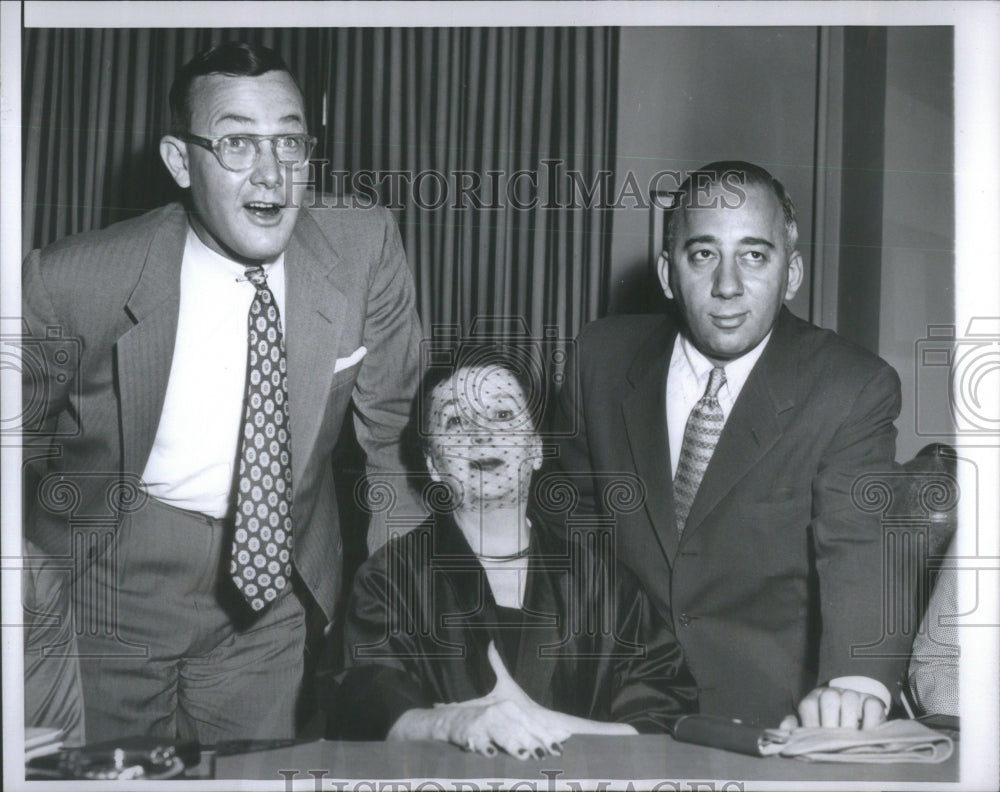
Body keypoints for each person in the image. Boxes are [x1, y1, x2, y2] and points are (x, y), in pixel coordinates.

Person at [21, 42, 422, 744]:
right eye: (237, 142)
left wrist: (415, 616)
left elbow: (392, 445)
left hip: (275, 583)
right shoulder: (72, 280)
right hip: (114, 572)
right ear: (181, 161)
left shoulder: (365, 248)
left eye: (290, 141)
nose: (272, 174)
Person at [551, 161, 909, 730]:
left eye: (754, 255)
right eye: (703, 254)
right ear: (668, 274)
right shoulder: (600, 357)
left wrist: (854, 685)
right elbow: (569, 541)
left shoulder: (851, 387)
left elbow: (860, 546)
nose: (727, 286)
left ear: (791, 274)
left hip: (771, 726)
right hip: (610, 714)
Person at [331, 350, 698, 757]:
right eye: (455, 421)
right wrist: (454, 724)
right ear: (434, 464)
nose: (481, 435)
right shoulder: (389, 580)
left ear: (536, 449)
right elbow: (363, 706)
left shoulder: (606, 585)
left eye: (502, 416)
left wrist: (544, 723)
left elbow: (670, 722)